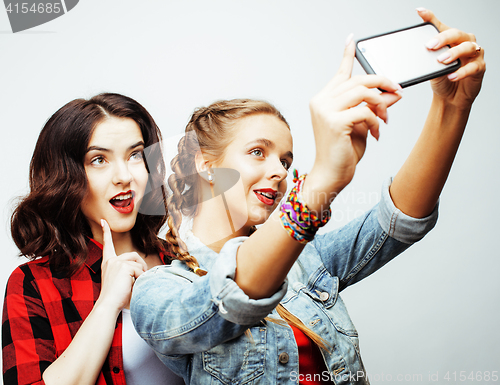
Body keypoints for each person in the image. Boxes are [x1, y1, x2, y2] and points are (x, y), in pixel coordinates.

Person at [129, 9, 485, 385]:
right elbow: (234, 297)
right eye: (257, 152)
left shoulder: (306, 262)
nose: (280, 171)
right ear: (205, 164)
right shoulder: (160, 291)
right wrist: (321, 181)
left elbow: (399, 221)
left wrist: (453, 106)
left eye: (286, 160)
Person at [2, 93, 185, 385]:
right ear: (67, 177)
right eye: (99, 160)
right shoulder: (34, 284)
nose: (124, 176)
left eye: (135, 154)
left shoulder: (182, 264)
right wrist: (108, 302)